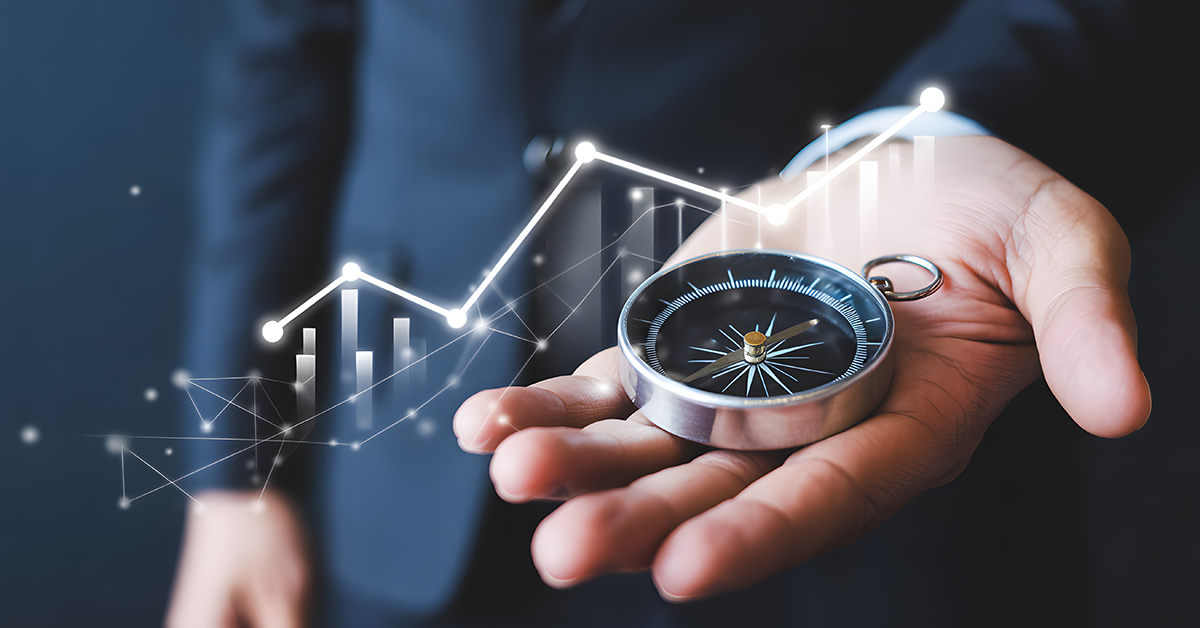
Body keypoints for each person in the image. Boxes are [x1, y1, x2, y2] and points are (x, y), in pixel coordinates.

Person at [168, 1, 1192, 626]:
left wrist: (933, 138)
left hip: (863, 498)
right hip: (400, 474)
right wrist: (241, 465)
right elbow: (286, 51)